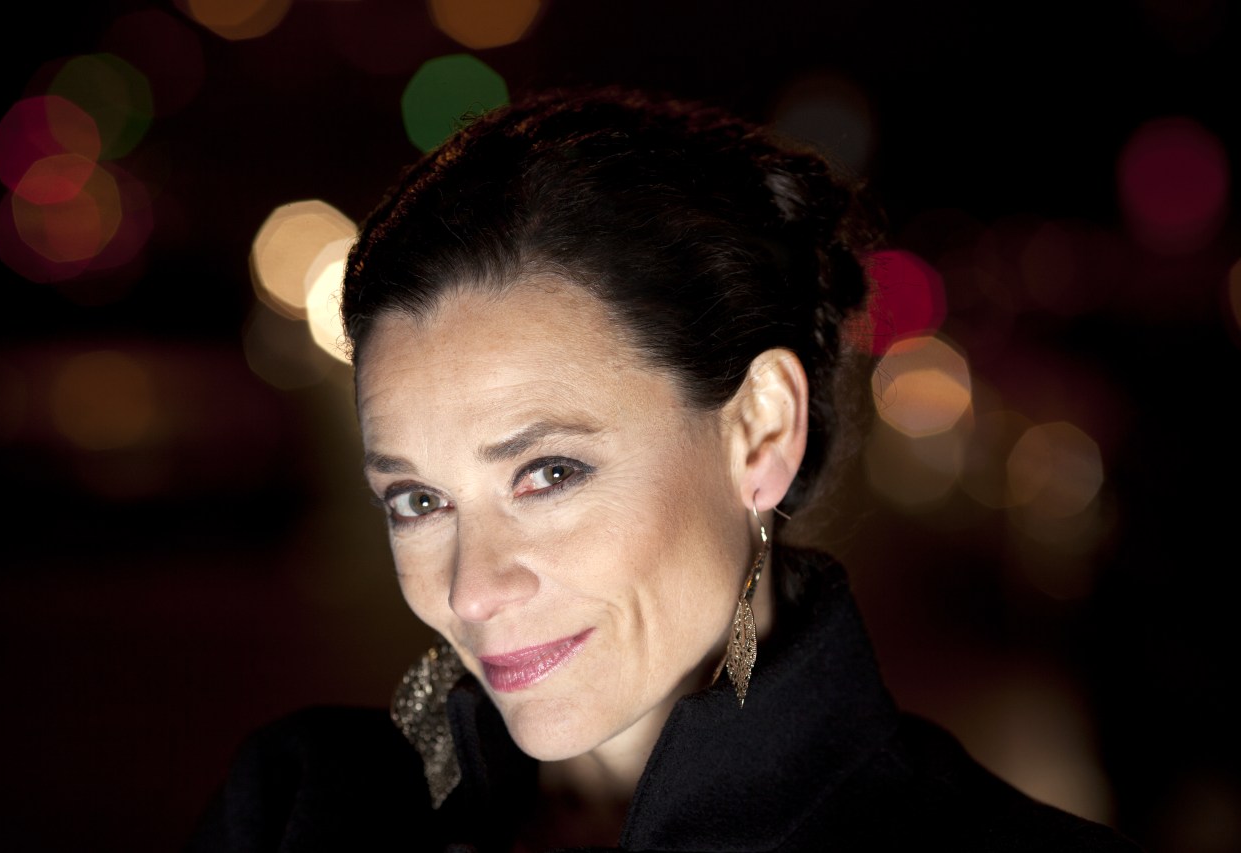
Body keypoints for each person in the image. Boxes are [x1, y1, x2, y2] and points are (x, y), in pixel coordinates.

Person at [187, 86, 1142, 851]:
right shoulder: (299, 808)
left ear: (760, 430)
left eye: (548, 473)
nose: (470, 590)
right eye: (418, 498)